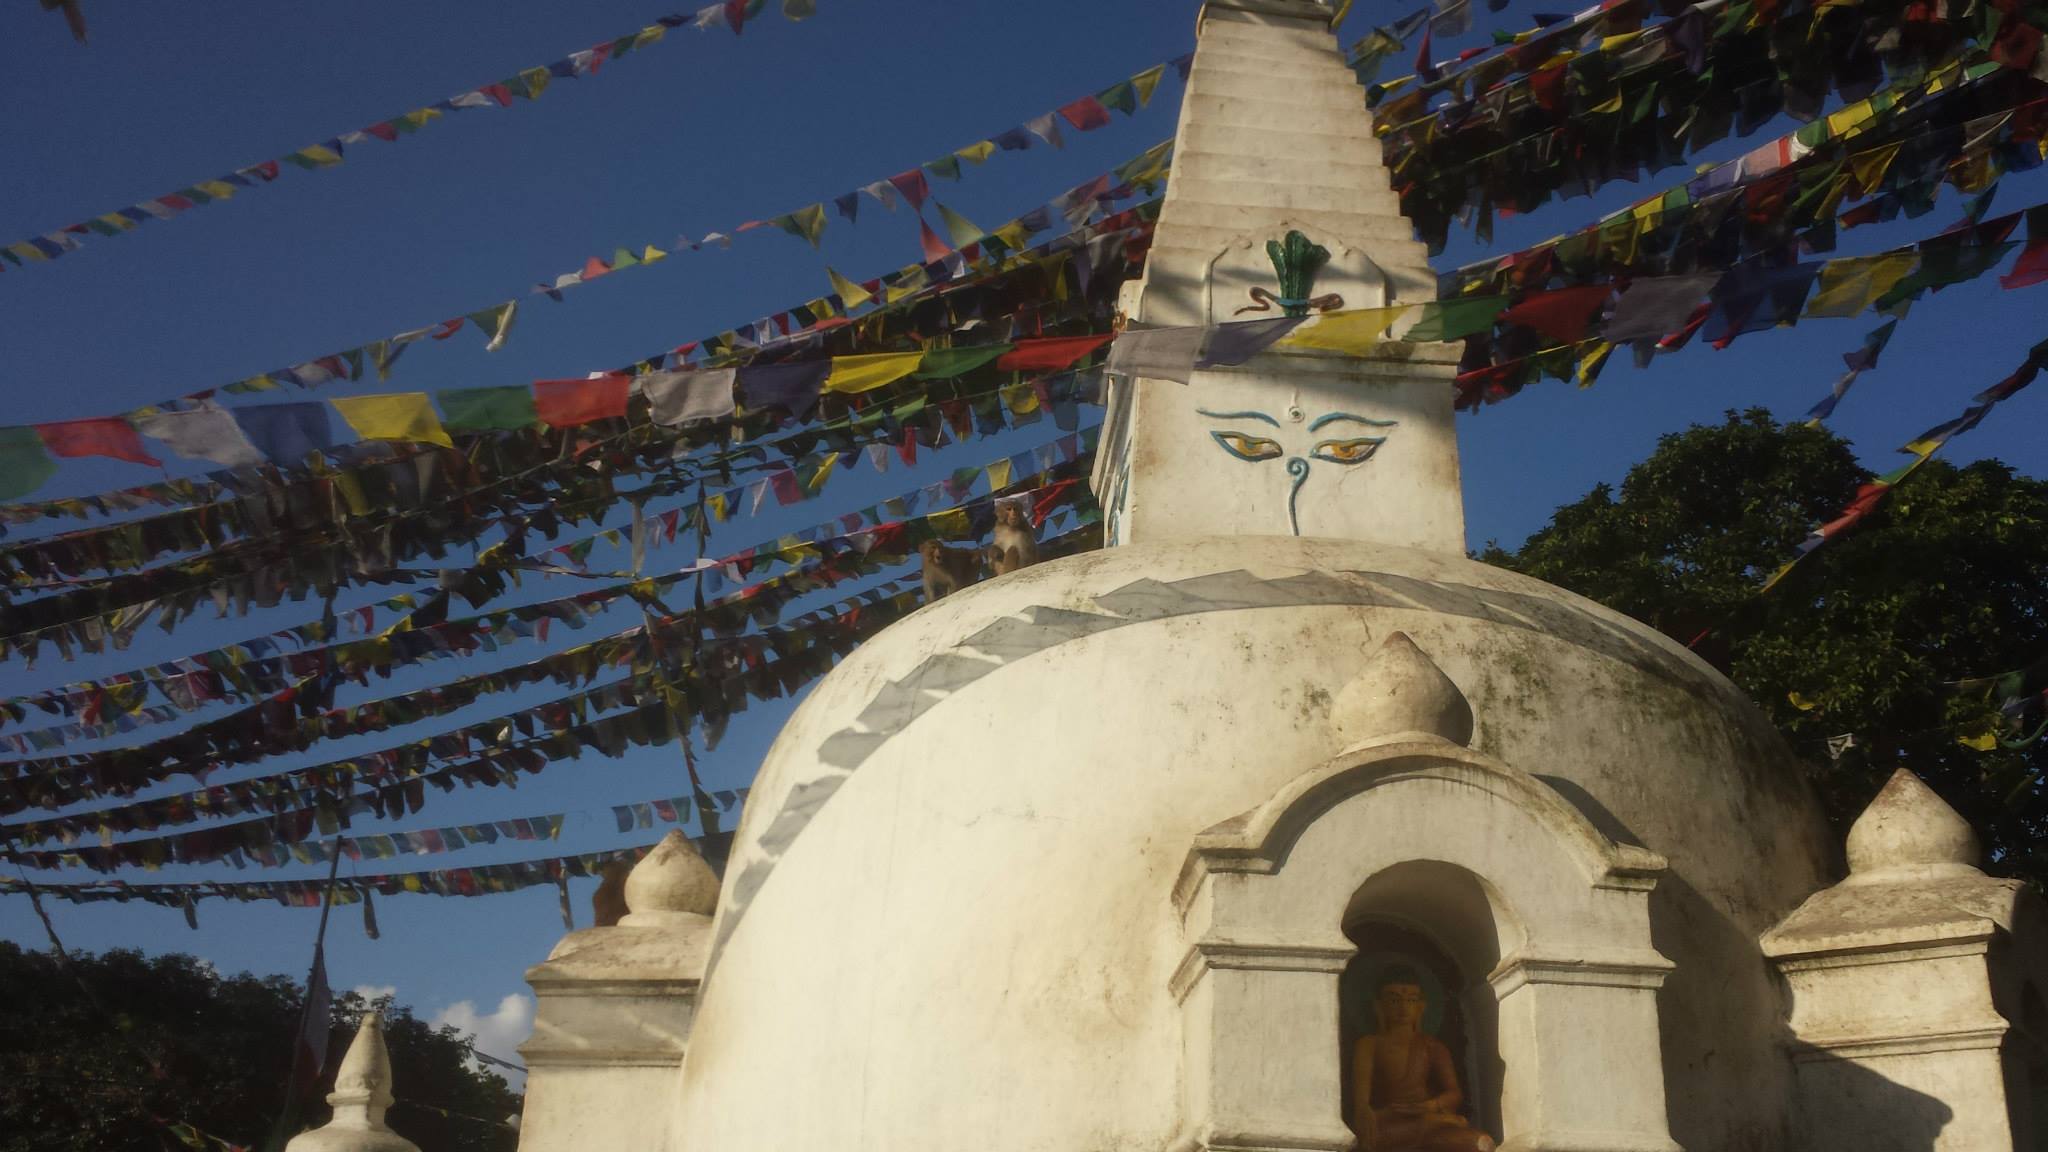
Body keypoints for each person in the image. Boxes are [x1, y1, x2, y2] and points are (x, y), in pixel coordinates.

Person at [1349, 965, 1495, 1152]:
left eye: (1411, 999)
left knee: (1482, 1144)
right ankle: (1431, 1123)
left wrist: (1428, 1107)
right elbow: (1362, 1106)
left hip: (1429, 1120)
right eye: (1394, 1000)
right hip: (1389, 1123)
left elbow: (1454, 1094)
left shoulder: (1432, 1046)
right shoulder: (1369, 1044)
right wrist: (1377, 1114)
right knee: (1366, 1142)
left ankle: (1432, 1123)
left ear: (1421, 1006)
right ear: (1379, 1005)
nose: (1403, 1007)